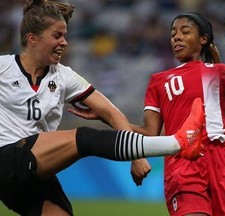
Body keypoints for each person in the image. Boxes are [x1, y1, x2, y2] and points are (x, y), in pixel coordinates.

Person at [0, 1, 206, 215]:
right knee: (85, 139)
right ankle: (177, 143)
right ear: (32, 39)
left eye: (65, 36)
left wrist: (137, 156)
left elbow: (110, 112)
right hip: (6, 159)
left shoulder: (64, 76)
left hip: (32, 176)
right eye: (57, 35)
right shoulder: (3, 68)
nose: (65, 42)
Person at [71, 12, 225, 216]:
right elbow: (150, 134)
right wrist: (105, 116)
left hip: (224, 162)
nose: (176, 37)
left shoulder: (220, 72)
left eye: (185, 32)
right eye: (173, 34)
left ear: (203, 39)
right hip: (183, 165)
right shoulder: (158, 81)